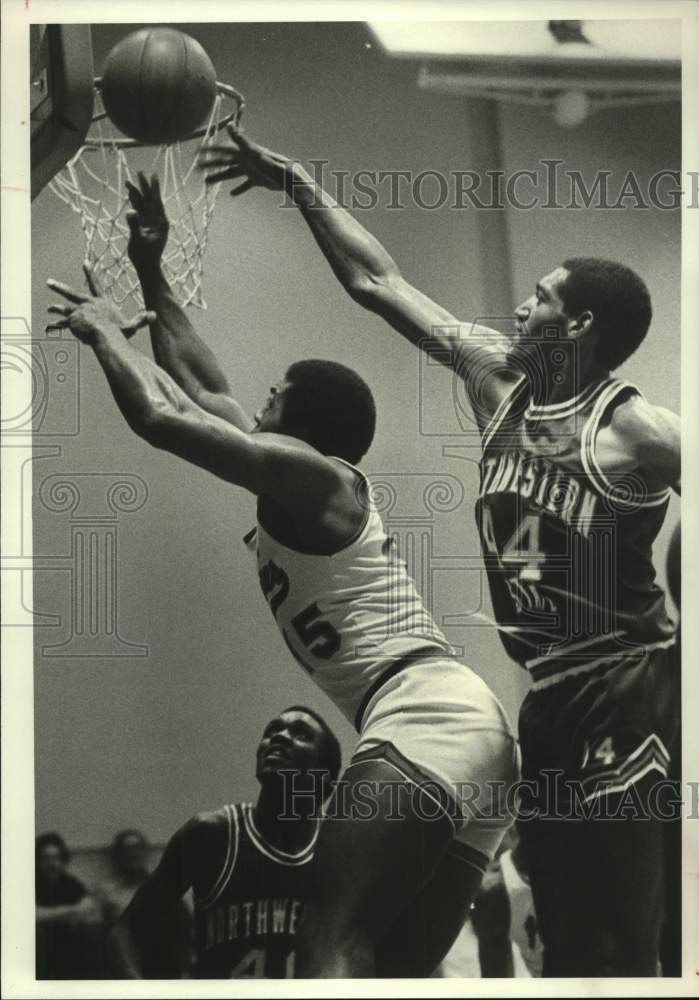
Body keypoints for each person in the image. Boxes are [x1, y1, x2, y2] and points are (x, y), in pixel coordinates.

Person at [198, 126, 681, 976]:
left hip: (624, 685)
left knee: (621, 937)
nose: (520, 309)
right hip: (545, 696)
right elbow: (375, 282)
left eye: (538, 298)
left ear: (578, 323)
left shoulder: (633, 428)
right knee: (563, 936)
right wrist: (299, 179)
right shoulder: (496, 380)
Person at [45, 173, 519, 979]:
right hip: (472, 739)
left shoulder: (316, 478)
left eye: (274, 395)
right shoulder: (296, 484)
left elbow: (164, 418)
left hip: (423, 718)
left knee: (325, 937)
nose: (254, 400)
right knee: (397, 970)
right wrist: (150, 268)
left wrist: (103, 337)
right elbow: (202, 389)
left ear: (302, 422)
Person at [109, 706, 340, 978]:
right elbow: (125, 931)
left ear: (324, 777)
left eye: (300, 734)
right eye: (272, 730)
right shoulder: (211, 835)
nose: (279, 737)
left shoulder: (337, 849)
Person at [35, 832, 101, 979]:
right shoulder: (30, 882)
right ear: (37, 861)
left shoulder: (69, 882)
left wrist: (52, 914)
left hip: (68, 942)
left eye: (57, 858)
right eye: (46, 859)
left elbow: (89, 906)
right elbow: (31, 915)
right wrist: (71, 911)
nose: (53, 864)